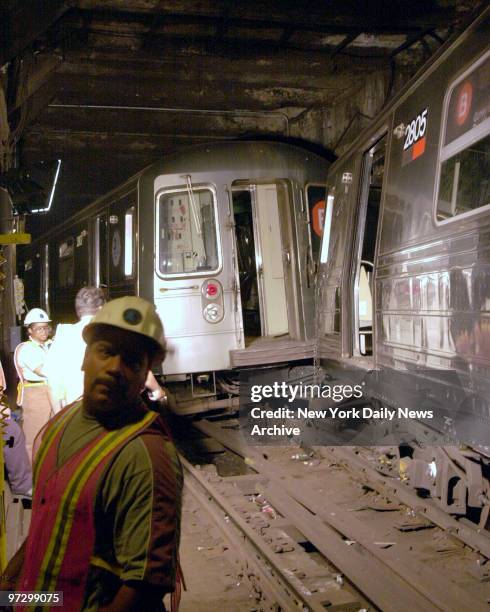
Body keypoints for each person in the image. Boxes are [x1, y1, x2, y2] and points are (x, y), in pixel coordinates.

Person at [15, 296, 183, 611]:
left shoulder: (147, 456)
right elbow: (48, 521)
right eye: (105, 351)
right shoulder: (60, 425)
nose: (115, 368)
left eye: (132, 361)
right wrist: (10, 590)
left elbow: (144, 583)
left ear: (145, 372)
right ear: (85, 357)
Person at [45, 286, 106, 411]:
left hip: (75, 414)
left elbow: (53, 384)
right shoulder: (112, 334)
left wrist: (59, 418)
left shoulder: (64, 335)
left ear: (78, 310)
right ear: (101, 309)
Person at [13, 308, 54, 460]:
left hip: (50, 389)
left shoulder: (49, 345)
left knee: (50, 435)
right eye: (38, 328)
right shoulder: (27, 349)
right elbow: (43, 370)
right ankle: (31, 477)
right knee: (35, 437)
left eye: (46, 327)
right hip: (35, 393)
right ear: (29, 330)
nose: (43, 331)